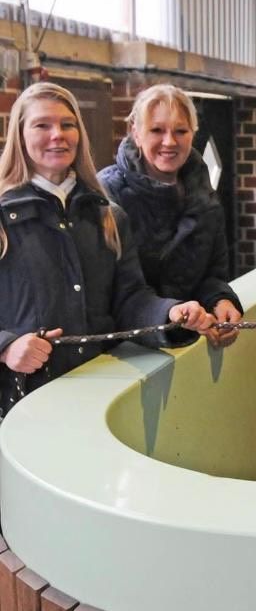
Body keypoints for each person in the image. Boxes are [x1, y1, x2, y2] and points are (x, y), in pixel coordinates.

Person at [0, 82, 215, 417]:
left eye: (67, 124)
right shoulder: (3, 218)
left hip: (97, 398)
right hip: (22, 407)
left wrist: (170, 314)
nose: (58, 134)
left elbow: (129, 298)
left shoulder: (107, 215)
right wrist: (7, 346)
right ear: (20, 134)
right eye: (42, 125)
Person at [99, 85, 242, 349]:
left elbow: (212, 275)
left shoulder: (206, 197)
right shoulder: (106, 197)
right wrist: (172, 312)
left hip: (181, 345)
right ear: (135, 132)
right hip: (120, 355)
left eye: (180, 131)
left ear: (193, 133)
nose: (169, 141)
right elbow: (112, 295)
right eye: (156, 130)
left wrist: (221, 301)